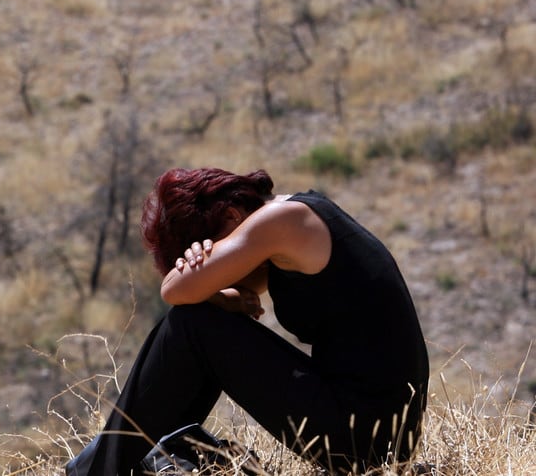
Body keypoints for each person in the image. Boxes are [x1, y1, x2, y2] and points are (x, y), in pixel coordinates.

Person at [78, 167, 428, 475]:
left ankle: (97, 470)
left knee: (191, 323)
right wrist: (219, 291)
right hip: (376, 431)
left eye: (216, 245)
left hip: (364, 436)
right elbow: (245, 291)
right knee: (202, 322)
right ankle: (154, 449)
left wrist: (193, 270)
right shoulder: (302, 214)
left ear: (231, 214)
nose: (220, 261)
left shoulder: (280, 222)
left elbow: (173, 291)